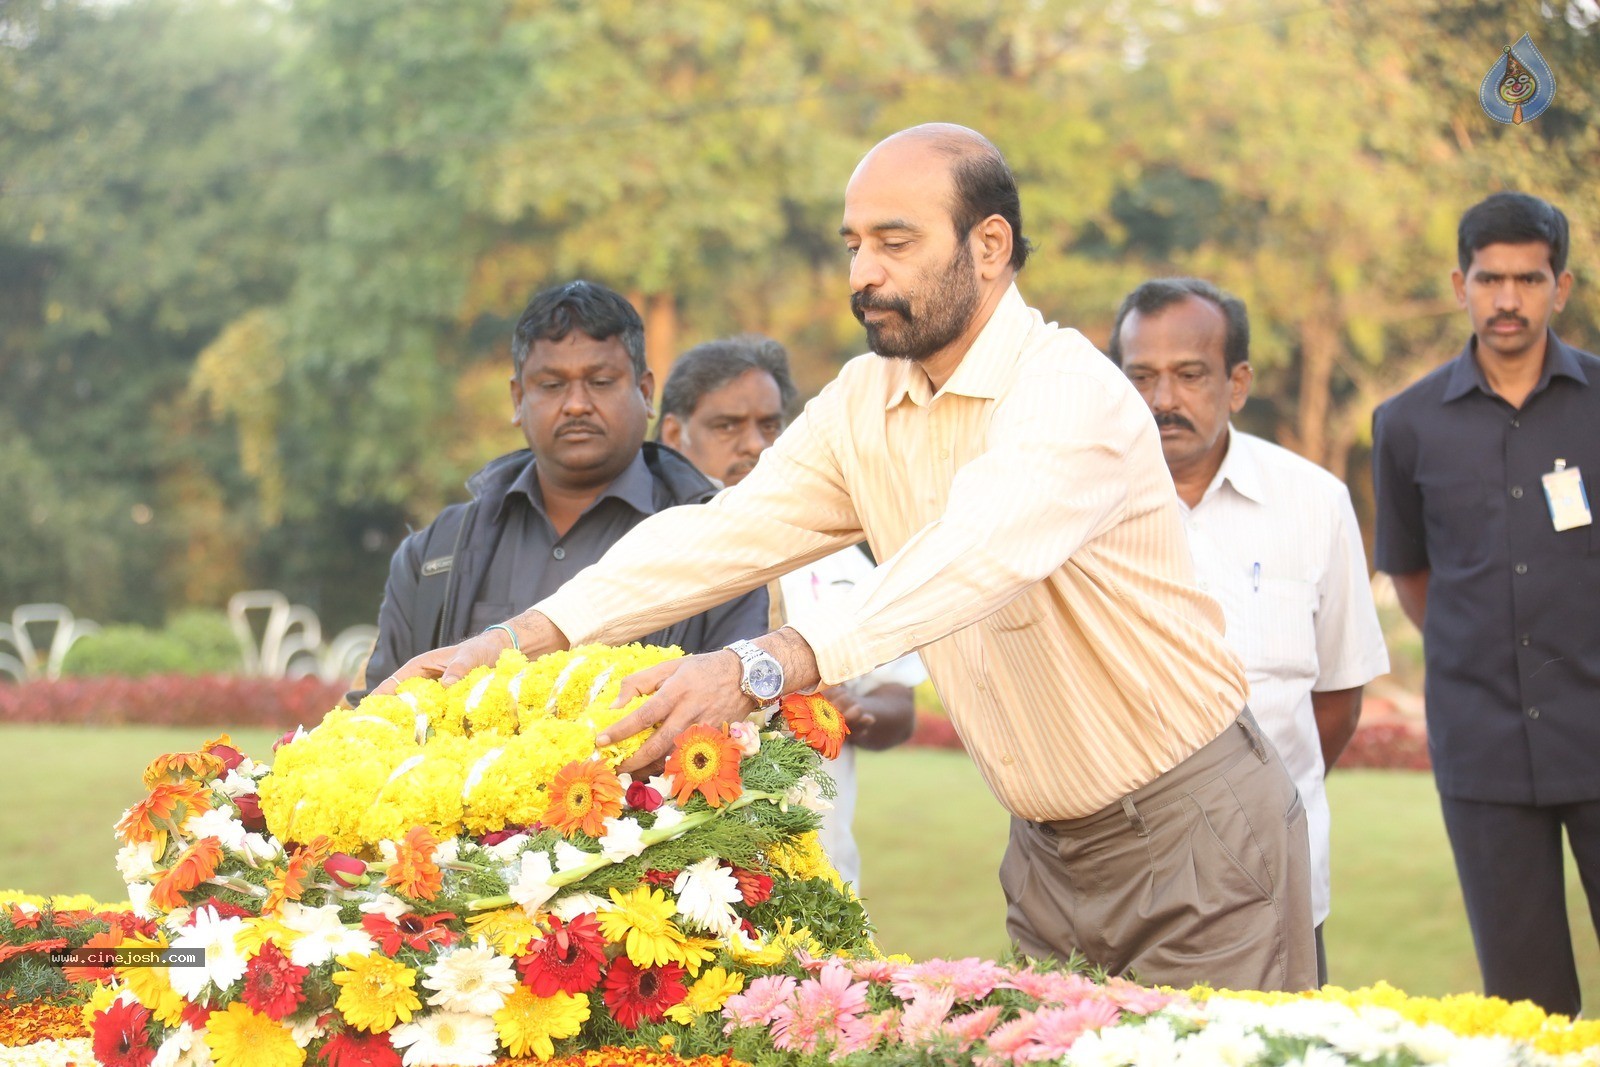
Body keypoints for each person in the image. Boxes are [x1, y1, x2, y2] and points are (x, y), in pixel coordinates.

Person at [379, 123, 1316, 991]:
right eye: (853, 244)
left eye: (895, 243)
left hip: (1195, 833)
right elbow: (724, 531)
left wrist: (759, 666)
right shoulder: (867, 398)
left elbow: (968, 555)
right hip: (1047, 854)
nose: (864, 272)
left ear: (989, 246)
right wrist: (514, 637)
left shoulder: (1071, 392)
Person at [1108, 277, 1390, 985]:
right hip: (1116, 888)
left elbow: (1336, 699)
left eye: (1189, 375)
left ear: (1237, 383)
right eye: (1141, 376)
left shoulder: (1314, 503)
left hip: (1277, 887)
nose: (1162, 399)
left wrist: (1253, 804)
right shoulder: (1079, 509)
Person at [1372, 192, 1600, 1017]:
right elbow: (1411, 572)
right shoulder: (1405, 424)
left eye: (1528, 279)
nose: (1508, 299)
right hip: (1485, 748)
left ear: (1561, 286)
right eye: (1490, 278)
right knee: (1526, 1001)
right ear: (1460, 283)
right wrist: (1488, 651)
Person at [346, 280, 768, 705]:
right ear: (517, 398)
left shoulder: (718, 543)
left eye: (600, 381)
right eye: (552, 385)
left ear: (645, 392)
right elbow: (380, 715)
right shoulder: (437, 554)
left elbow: (742, 726)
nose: (577, 405)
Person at [658, 335, 924, 890]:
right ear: (675, 435)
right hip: (671, 879)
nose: (753, 445)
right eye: (727, 426)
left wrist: (856, 712)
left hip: (817, 881)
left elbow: (900, 704)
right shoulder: (657, 559)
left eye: (770, 425)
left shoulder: (842, 561)